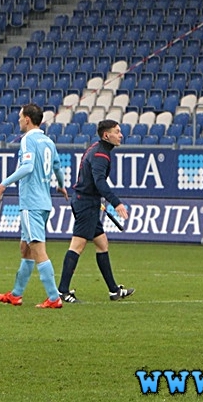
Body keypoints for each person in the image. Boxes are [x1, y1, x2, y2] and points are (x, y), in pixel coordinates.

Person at [0, 103, 69, 309]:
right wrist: (61, 187)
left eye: (20, 117)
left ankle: (54, 297)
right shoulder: (48, 141)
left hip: (31, 203)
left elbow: (26, 166)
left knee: (37, 249)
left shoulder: (28, 140)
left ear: (27, 119)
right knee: (25, 248)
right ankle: (16, 294)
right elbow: (58, 168)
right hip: (44, 203)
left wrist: (4, 183)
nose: (18, 121)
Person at [57, 119, 134, 303]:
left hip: (86, 201)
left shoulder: (96, 148)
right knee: (77, 246)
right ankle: (62, 291)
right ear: (106, 135)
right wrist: (116, 203)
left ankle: (114, 291)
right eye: (117, 131)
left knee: (102, 244)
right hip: (86, 204)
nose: (120, 135)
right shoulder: (101, 155)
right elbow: (99, 182)